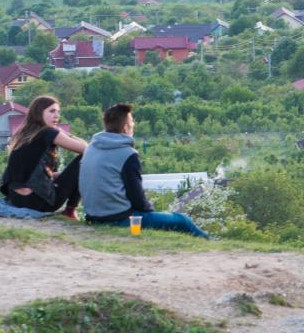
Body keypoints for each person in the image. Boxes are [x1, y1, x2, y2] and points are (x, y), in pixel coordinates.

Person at [78, 102, 209, 238]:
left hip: (93, 217)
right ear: (125, 127)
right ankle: (213, 246)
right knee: (182, 220)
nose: (133, 126)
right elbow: (138, 199)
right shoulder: (127, 154)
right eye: (132, 123)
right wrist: (150, 213)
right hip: (119, 219)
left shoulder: (91, 148)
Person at [0, 95, 86, 217]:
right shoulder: (49, 133)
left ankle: (70, 210)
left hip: (16, 199)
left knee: (63, 175)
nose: (57, 116)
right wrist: (67, 134)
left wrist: (65, 177)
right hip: (38, 202)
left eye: (58, 112)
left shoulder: (24, 133)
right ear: (39, 113)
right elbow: (88, 150)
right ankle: (70, 211)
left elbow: (35, 174)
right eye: (52, 111)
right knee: (85, 159)